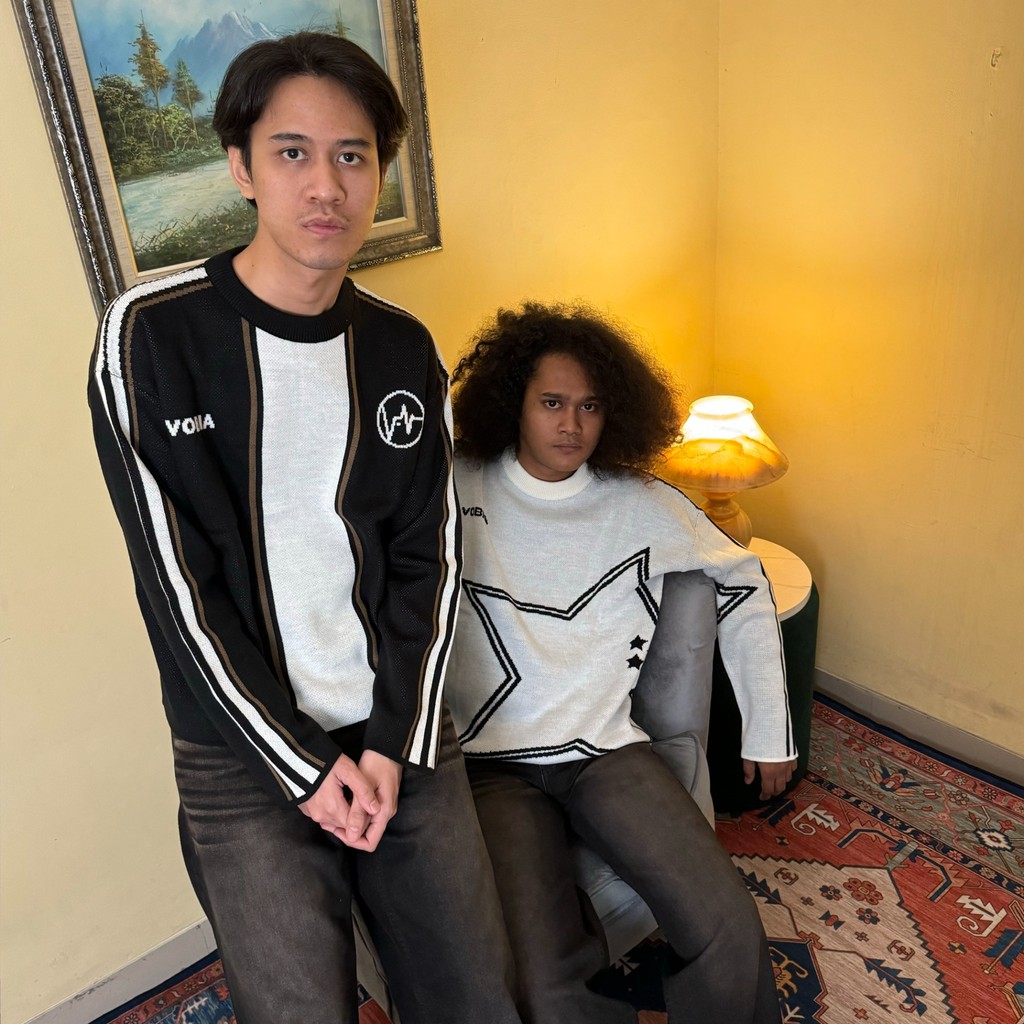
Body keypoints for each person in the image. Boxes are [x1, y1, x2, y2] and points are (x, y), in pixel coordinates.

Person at [88, 32, 520, 1024]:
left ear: (378, 173)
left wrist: (392, 746)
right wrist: (302, 766)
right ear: (241, 168)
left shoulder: (401, 349)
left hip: (395, 727)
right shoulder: (148, 336)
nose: (326, 185)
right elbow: (178, 593)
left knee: (474, 997)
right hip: (239, 747)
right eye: (292, 152)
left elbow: (428, 561)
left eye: (351, 155)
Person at [446, 302, 796, 1024]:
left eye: (590, 406)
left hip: (606, 753)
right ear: (513, 403)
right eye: (551, 402)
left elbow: (744, 582)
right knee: (543, 981)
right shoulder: (455, 485)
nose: (571, 425)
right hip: (491, 769)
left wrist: (768, 731)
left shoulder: (642, 502)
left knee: (727, 922)